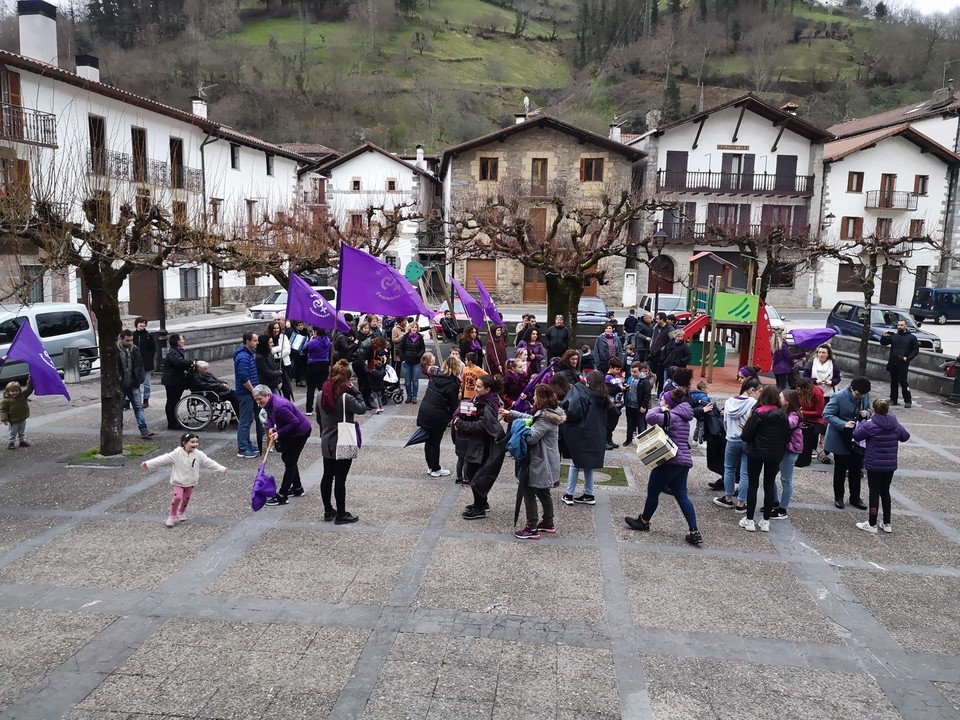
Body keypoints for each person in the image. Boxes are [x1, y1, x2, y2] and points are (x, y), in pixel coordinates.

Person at [624, 387, 703, 545]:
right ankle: (694, 531)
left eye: (662, 400)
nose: (660, 401)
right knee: (682, 495)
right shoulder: (684, 416)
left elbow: (649, 416)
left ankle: (644, 521)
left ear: (668, 403)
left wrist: (661, 408)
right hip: (684, 461)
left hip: (669, 461)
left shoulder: (671, 416)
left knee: (653, 492)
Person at [506, 384, 566, 540]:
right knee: (543, 491)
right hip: (546, 460)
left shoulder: (545, 418)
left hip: (540, 461)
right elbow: (533, 419)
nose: (533, 397)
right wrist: (511, 413)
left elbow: (531, 437)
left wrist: (518, 427)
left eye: (535, 395)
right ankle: (548, 522)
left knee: (528, 491)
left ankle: (532, 528)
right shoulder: (551, 413)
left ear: (541, 398)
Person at [141, 432, 226, 527]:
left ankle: (181, 511)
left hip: (190, 482)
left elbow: (209, 462)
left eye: (196, 442)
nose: (195, 444)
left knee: (186, 498)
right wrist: (148, 463)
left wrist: (221, 468)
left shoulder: (199, 454)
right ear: (184, 443)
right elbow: (163, 459)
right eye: (192, 442)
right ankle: (172, 515)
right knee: (177, 497)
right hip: (178, 481)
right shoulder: (176, 454)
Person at [317, 360, 367, 524]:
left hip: (327, 440)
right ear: (347, 379)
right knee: (340, 478)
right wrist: (355, 391)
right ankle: (341, 513)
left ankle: (327, 510)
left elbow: (319, 418)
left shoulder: (320, 394)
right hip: (344, 440)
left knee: (327, 475)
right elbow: (362, 408)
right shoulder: (346, 397)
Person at [853, 398, 910, 534]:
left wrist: (862, 423)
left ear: (873, 409)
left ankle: (872, 523)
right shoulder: (895, 424)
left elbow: (856, 435)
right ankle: (887, 522)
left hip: (874, 464)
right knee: (885, 491)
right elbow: (905, 436)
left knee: (874, 492)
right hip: (889, 465)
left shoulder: (870, 425)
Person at [739, 385, 791, 533]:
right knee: (769, 485)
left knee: (753, 484)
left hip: (756, 453)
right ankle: (765, 521)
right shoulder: (782, 415)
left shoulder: (757, 413)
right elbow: (787, 435)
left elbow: (746, 436)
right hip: (775, 454)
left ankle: (749, 520)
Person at [457, 374, 507, 519]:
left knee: (475, 476)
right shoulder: (482, 399)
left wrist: (460, 423)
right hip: (479, 444)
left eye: (479, 387)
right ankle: (481, 503)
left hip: (483, 445)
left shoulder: (487, 404)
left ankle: (479, 508)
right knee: (475, 474)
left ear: (488, 389)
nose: (475, 389)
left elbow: (481, 425)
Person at [254, 384, 312, 506]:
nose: (258, 402)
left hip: (300, 432)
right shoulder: (269, 402)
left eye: (260, 399)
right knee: (288, 459)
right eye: (256, 399)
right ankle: (297, 488)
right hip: (291, 432)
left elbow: (294, 421)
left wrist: (279, 433)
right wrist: (271, 427)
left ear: (267, 395)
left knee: (290, 462)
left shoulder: (279, 406)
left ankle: (282, 495)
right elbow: (270, 416)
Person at [559, 371, 609, 506]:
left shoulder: (584, 394)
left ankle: (569, 494)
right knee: (588, 465)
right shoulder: (603, 398)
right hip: (597, 434)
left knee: (575, 464)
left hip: (583, 433)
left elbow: (574, 412)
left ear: (589, 381)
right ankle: (589, 494)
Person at [823, 376, 872, 510]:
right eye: (858, 394)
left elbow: (869, 409)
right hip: (840, 436)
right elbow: (827, 414)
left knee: (856, 470)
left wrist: (867, 413)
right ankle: (838, 497)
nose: (860, 397)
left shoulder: (864, 395)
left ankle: (855, 498)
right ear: (851, 388)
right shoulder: (838, 397)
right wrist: (843, 424)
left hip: (857, 438)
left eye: (863, 395)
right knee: (840, 469)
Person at [713, 378, 762, 511]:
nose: (759, 394)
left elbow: (725, 421)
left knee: (729, 468)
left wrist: (729, 432)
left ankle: (728, 497)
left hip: (731, 439)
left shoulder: (729, 402)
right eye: (759, 391)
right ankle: (741, 502)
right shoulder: (754, 403)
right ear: (752, 390)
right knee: (745, 472)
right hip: (747, 440)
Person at [418, 356, 463, 478]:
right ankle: (436, 468)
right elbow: (453, 405)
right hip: (438, 415)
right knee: (435, 442)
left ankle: (431, 466)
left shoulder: (435, 377)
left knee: (429, 441)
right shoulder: (453, 383)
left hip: (425, 410)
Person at [772, 389, 804, 519]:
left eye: (781, 397)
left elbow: (789, 423)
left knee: (786, 480)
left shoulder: (794, 414)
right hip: (781, 449)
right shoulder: (784, 412)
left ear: (788, 401)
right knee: (771, 476)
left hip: (790, 450)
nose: (778, 399)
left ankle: (782, 509)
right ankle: (774, 502)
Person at [117, 330, 155, 439]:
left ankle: (144, 429)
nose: (130, 343)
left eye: (131, 340)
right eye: (127, 340)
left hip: (133, 383)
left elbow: (140, 364)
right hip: (121, 385)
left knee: (138, 407)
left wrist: (140, 378)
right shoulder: (116, 350)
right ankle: (119, 430)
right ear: (121, 339)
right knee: (119, 409)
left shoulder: (135, 349)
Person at [234, 332, 263, 459]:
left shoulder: (248, 355)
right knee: (245, 421)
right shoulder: (243, 357)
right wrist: (253, 391)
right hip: (245, 394)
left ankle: (246, 444)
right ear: (247, 341)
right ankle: (243, 448)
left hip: (248, 393)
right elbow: (244, 377)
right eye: (255, 340)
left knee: (248, 420)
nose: (257, 343)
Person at [880, 319, 919, 408]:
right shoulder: (894, 336)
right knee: (893, 381)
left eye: (901, 325)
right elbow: (884, 343)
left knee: (903, 381)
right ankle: (893, 399)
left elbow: (915, 350)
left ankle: (907, 400)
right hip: (893, 362)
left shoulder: (912, 338)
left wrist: (908, 358)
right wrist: (884, 337)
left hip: (903, 363)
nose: (899, 327)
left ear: (906, 326)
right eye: (898, 325)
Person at [161, 334, 193, 431]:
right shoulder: (173, 352)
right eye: (182, 339)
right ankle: (172, 423)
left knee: (175, 401)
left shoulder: (176, 350)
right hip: (172, 381)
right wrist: (191, 362)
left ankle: (175, 421)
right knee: (172, 401)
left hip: (175, 380)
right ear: (177, 341)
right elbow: (179, 362)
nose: (183, 341)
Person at [796, 378, 828, 464]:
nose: (798, 391)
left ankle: (812, 449)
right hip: (805, 417)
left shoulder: (817, 394)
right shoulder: (800, 392)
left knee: (812, 432)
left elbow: (819, 412)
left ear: (805, 388)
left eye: (800, 389)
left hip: (818, 419)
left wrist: (802, 412)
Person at [304, 327, 332, 415]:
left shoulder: (313, 342)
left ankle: (309, 409)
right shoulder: (327, 340)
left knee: (311, 387)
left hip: (313, 365)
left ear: (315, 331)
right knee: (322, 387)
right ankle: (324, 406)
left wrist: (310, 340)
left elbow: (305, 349)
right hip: (324, 365)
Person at [622, 361, 651, 446]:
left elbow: (647, 394)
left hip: (639, 406)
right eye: (632, 371)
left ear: (640, 371)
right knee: (630, 423)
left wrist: (644, 406)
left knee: (640, 424)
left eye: (635, 372)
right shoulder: (630, 379)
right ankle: (628, 439)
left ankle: (642, 441)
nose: (633, 373)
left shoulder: (644, 381)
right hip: (629, 405)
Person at [399, 322, 427, 404]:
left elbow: (422, 349)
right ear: (410, 328)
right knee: (407, 381)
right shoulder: (405, 337)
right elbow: (400, 348)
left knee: (415, 380)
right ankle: (409, 396)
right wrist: (402, 358)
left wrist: (419, 355)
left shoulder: (420, 337)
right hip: (406, 362)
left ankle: (414, 396)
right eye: (412, 327)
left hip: (416, 362)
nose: (414, 329)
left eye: (415, 327)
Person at [267, 321, 294, 401]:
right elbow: (269, 351)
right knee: (276, 386)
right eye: (274, 328)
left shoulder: (283, 337)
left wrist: (276, 354)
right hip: (273, 365)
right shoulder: (268, 337)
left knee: (286, 387)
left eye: (277, 328)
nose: (276, 330)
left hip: (284, 364)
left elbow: (287, 350)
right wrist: (280, 348)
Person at [132, 317, 156, 408]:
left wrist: (149, 358)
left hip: (146, 363)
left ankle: (146, 399)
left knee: (146, 383)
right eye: (141, 323)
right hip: (135, 363)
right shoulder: (133, 335)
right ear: (136, 324)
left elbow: (153, 349)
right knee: (133, 382)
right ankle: (130, 400)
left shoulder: (148, 335)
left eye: (144, 323)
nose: (142, 325)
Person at [2, 378, 32, 449]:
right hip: (13, 420)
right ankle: (11, 442)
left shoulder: (23, 396)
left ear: (19, 390)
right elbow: (3, 410)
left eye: (17, 391)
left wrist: (30, 381)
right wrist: (4, 419)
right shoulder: (6, 401)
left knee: (22, 431)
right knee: (12, 432)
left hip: (22, 417)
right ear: (8, 391)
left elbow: (29, 390)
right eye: (12, 391)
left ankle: (21, 441)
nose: (15, 393)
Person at [604, 357, 626, 450]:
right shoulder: (607, 377)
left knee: (613, 423)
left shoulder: (617, 377)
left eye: (619, 369)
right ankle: (605, 440)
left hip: (619, 403)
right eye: (617, 369)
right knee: (608, 423)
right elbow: (608, 391)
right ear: (611, 367)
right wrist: (618, 389)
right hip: (611, 404)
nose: (618, 371)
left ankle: (610, 439)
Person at [648, 313, 674, 389]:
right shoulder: (656, 327)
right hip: (653, 354)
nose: (655, 320)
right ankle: (652, 388)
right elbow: (654, 337)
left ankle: (659, 391)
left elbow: (673, 340)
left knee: (660, 376)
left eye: (657, 319)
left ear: (662, 319)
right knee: (651, 373)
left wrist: (665, 347)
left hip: (661, 356)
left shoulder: (670, 329)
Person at [288, 320, 309, 387]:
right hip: (297, 353)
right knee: (298, 367)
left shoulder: (306, 332)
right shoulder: (295, 333)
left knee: (306, 366)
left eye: (301, 325)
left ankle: (307, 379)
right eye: (299, 325)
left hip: (305, 352)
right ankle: (298, 381)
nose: (300, 327)